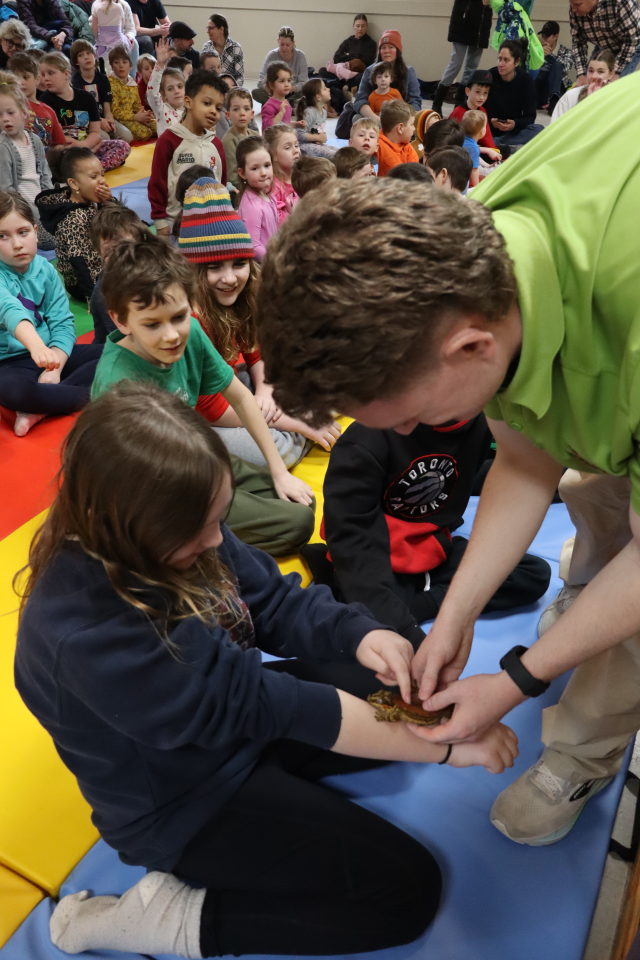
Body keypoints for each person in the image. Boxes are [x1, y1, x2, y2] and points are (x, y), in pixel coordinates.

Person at [257, 74, 640, 848]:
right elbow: (527, 457)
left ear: (471, 347)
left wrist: (518, 677)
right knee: (592, 488)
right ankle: (588, 589)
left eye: (429, 418)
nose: (427, 432)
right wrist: (458, 613)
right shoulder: (477, 248)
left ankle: (584, 745)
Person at [16, 377, 517, 957]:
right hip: (183, 804)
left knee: (371, 676)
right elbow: (273, 704)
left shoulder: (176, 526)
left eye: (219, 519)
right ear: (132, 530)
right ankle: (168, 920)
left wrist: (362, 634)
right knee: (407, 893)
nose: (216, 540)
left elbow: (274, 601)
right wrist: (450, 746)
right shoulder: (84, 633)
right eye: (196, 534)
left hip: (229, 726)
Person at [92, 236, 316, 520]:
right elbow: (127, 478)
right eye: (152, 325)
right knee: (297, 521)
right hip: (162, 487)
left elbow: (241, 396)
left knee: (302, 502)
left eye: (179, 317)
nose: (172, 335)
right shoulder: (118, 384)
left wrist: (279, 473)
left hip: (193, 453)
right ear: (121, 321)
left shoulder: (193, 333)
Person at [306, 417, 550, 644]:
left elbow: (497, 469)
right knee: (372, 621)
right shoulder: (364, 440)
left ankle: (411, 602)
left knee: (534, 574)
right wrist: (409, 634)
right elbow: (352, 539)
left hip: (430, 548)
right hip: (374, 555)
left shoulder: (481, 421)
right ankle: (368, 594)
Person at [180, 177, 341, 463]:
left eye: (239, 264)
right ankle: (294, 434)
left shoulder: (245, 295)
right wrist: (293, 421)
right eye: (215, 268)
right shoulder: (189, 319)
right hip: (200, 414)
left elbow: (256, 355)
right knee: (274, 453)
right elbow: (208, 406)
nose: (230, 279)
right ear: (194, 272)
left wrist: (266, 396)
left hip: (234, 388)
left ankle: (289, 426)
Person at [0, 190, 102, 436]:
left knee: (117, 351)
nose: (16, 244)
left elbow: (63, 324)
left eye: (23, 232)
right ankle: (101, 389)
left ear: (36, 231)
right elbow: (10, 311)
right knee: (17, 392)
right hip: (10, 364)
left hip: (53, 357)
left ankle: (45, 403)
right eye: (3, 236)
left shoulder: (46, 270)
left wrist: (54, 367)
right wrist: (36, 347)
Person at [148, 68, 226, 235]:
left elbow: (222, 183)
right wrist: (160, 221)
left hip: (210, 221)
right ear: (188, 103)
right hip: (175, 223)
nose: (213, 111)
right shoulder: (169, 140)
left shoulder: (216, 144)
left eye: (218, 108)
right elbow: (157, 182)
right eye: (207, 103)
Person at [37, 145, 112, 299]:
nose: (102, 181)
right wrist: (93, 297)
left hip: (102, 267)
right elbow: (79, 262)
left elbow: (118, 224)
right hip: (83, 282)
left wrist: (108, 202)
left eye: (102, 175)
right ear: (74, 184)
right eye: (93, 177)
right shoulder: (72, 218)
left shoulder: (90, 203)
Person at [39, 50, 130, 170]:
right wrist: (88, 149)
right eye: (43, 74)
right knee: (57, 152)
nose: (46, 78)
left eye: (51, 73)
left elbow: (95, 133)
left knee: (123, 146)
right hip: (65, 150)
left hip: (84, 146)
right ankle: (87, 168)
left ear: (66, 74)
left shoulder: (87, 98)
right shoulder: (45, 101)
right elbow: (57, 138)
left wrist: (83, 145)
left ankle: (90, 168)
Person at [88, 199, 147, 343]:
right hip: (115, 350)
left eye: (125, 247)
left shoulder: (144, 270)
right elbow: (123, 340)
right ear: (99, 254)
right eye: (110, 251)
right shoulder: (105, 294)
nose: (119, 256)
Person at [0, 74, 53, 230]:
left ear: (24, 113)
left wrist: (50, 202)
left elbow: (45, 174)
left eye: (10, 113)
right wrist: (31, 212)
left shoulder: (35, 140)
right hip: (22, 210)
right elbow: (7, 190)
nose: (5, 119)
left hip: (40, 204)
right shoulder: (3, 146)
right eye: (0, 115)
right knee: (47, 237)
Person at [431, 0, 493, 116]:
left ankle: (460, 104)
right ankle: (437, 102)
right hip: (463, 18)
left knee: (471, 67)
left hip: (481, 23)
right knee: (456, 63)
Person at [484, 39, 543, 147]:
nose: (501, 64)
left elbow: (530, 117)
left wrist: (514, 124)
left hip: (512, 131)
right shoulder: (489, 77)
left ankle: (497, 143)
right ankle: (499, 144)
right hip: (489, 129)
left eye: (506, 60)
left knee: (539, 130)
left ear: (517, 62)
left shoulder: (526, 81)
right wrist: (491, 122)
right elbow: (478, 109)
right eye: (500, 59)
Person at [353, 30, 422, 121]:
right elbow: (360, 100)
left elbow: (415, 102)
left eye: (391, 47)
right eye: (383, 48)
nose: (386, 51)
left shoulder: (408, 72)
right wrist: (378, 120)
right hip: (375, 117)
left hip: (401, 118)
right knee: (357, 119)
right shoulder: (369, 71)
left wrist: (403, 119)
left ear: (398, 51)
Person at [71, 39, 130, 143]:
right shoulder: (75, 82)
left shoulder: (102, 78)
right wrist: (98, 121)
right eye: (81, 55)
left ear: (94, 56)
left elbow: (107, 109)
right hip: (85, 121)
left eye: (89, 53)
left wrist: (110, 120)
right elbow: (80, 114)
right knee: (104, 138)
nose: (86, 57)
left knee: (127, 136)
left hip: (102, 118)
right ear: (76, 61)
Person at [570, 0, 640, 82]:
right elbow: (578, 42)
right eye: (571, 4)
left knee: (614, 85)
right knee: (589, 81)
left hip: (631, 43)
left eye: (577, 4)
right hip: (605, 44)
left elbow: (632, 39)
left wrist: (616, 73)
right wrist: (581, 74)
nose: (573, 9)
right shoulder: (575, 9)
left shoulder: (620, 2)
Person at [8, 51, 66, 150]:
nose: (20, 82)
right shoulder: (7, 109)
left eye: (26, 77)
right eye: (15, 78)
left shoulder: (49, 111)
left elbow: (59, 144)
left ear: (37, 79)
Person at [236, 136, 278, 260]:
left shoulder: (268, 194)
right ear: (242, 173)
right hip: (263, 267)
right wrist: (275, 261)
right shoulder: (252, 207)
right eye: (255, 168)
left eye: (267, 165)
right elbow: (253, 247)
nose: (263, 173)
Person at [449, 69, 501, 162]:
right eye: (478, 92)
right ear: (468, 91)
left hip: (477, 147)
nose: (481, 97)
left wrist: (493, 150)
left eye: (485, 93)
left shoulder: (482, 110)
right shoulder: (459, 112)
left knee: (503, 150)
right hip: (462, 151)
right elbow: (456, 142)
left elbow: (487, 136)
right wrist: (487, 150)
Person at [550, 48, 614, 122]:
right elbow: (556, 129)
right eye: (591, 71)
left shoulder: (618, 101)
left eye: (600, 72)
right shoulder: (570, 96)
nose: (594, 76)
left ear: (611, 74)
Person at [321, 13, 377, 96]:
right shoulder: (348, 41)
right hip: (342, 69)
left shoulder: (371, 43)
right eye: (358, 26)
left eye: (363, 26)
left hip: (357, 73)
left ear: (366, 26)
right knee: (322, 70)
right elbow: (336, 57)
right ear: (354, 26)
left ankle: (341, 84)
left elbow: (368, 62)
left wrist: (348, 55)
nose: (360, 29)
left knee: (364, 77)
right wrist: (354, 58)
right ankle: (344, 85)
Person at [107, 43, 154, 140]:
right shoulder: (110, 83)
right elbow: (115, 112)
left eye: (124, 62)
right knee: (144, 133)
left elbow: (137, 106)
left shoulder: (133, 84)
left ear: (130, 66)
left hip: (135, 118)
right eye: (116, 62)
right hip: (121, 120)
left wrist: (144, 116)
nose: (121, 66)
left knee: (157, 125)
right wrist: (136, 117)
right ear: (111, 66)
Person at [254, 26, 308, 107]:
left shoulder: (300, 56)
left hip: (292, 92)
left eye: (288, 45)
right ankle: (286, 104)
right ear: (278, 41)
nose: (284, 48)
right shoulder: (272, 55)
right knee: (255, 92)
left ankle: (275, 104)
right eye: (282, 44)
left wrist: (293, 88)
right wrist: (274, 89)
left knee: (308, 91)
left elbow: (304, 81)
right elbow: (262, 79)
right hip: (274, 92)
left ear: (293, 43)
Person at [486, 0, 544, 71]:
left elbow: (513, 8)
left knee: (511, 69)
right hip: (516, 33)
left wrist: (492, 1)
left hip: (517, 35)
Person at [221, 86, 257, 196]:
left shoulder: (256, 136)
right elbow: (233, 176)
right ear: (228, 115)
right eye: (236, 109)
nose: (242, 113)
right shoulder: (228, 141)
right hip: (240, 193)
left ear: (251, 114)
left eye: (246, 109)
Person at [534, 19, 574, 113]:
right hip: (540, 89)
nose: (543, 39)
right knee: (534, 66)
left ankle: (554, 101)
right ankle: (533, 101)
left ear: (556, 36)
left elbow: (566, 68)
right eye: (542, 36)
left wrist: (550, 55)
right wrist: (538, 55)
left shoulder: (566, 52)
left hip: (556, 88)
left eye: (547, 36)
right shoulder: (536, 50)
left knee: (557, 64)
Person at [145, 37, 183, 134]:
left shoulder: (192, 111)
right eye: (170, 89)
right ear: (163, 94)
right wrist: (160, 65)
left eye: (180, 86)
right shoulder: (162, 110)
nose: (176, 91)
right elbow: (152, 94)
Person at [264, 123, 300, 224]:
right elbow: (279, 223)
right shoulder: (273, 187)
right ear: (273, 154)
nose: (296, 151)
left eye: (296, 145)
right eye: (288, 147)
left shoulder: (301, 175)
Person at [295, 77, 336, 158]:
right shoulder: (310, 112)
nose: (328, 89)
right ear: (318, 97)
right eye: (324, 88)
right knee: (331, 154)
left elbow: (315, 131)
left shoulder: (323, 112)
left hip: (312, 145)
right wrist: (318, 137)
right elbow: (299, 134)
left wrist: (319, 139)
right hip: (303, 146)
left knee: (338, 151)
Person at [90, 0, 137, 70]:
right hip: (118, 37)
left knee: (108, 61)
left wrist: (129, 36)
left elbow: (94, 27)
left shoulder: (123, 5)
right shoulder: (97, 5)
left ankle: (131, 75)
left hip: (104, 39)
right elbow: (121, 23)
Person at [376, 100, 418, 178]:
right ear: (400, 128)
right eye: (412, 124)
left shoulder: (407, 147)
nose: (414, 128)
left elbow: (414, 175)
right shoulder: (376, 146)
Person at [200, 13, 243, 86]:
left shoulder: (236, 48)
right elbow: (204, 73)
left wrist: (229, 87)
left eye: (211, 28)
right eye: (207, 28)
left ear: (221, 29)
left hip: (230, 88)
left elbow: (240, 78)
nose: (207, 31)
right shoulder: (207, 47)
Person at [460, 109, 485, 187]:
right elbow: (473, 170)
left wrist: (487, 165)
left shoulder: (462, 138)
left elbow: (474, 157)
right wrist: (477, 188)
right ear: (481, 131)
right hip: (461, 181)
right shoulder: (473, 147)